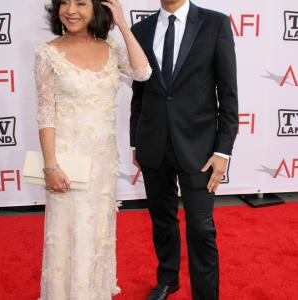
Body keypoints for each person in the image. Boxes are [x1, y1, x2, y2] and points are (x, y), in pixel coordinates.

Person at [34, 0, 151, 299]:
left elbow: (143, 72)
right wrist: (50, 166)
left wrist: (122, 24)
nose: (71, 10)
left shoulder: (110, 48)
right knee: (69, 236)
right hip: (67, 164)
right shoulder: (48, 53)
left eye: (81, 3)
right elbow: (46, 113)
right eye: (65, 3)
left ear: (97, 8)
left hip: (102, 165)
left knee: (96, 232)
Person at [130, 0, 238, 299]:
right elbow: (139, 94)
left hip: (200, 148)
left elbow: (228, 93)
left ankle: (205, 294)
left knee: (201, 228)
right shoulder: (141, 29)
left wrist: (223, 151)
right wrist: (136, 141)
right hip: (153, 143)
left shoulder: (215, 23)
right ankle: (168, 279)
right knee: (161, 218)